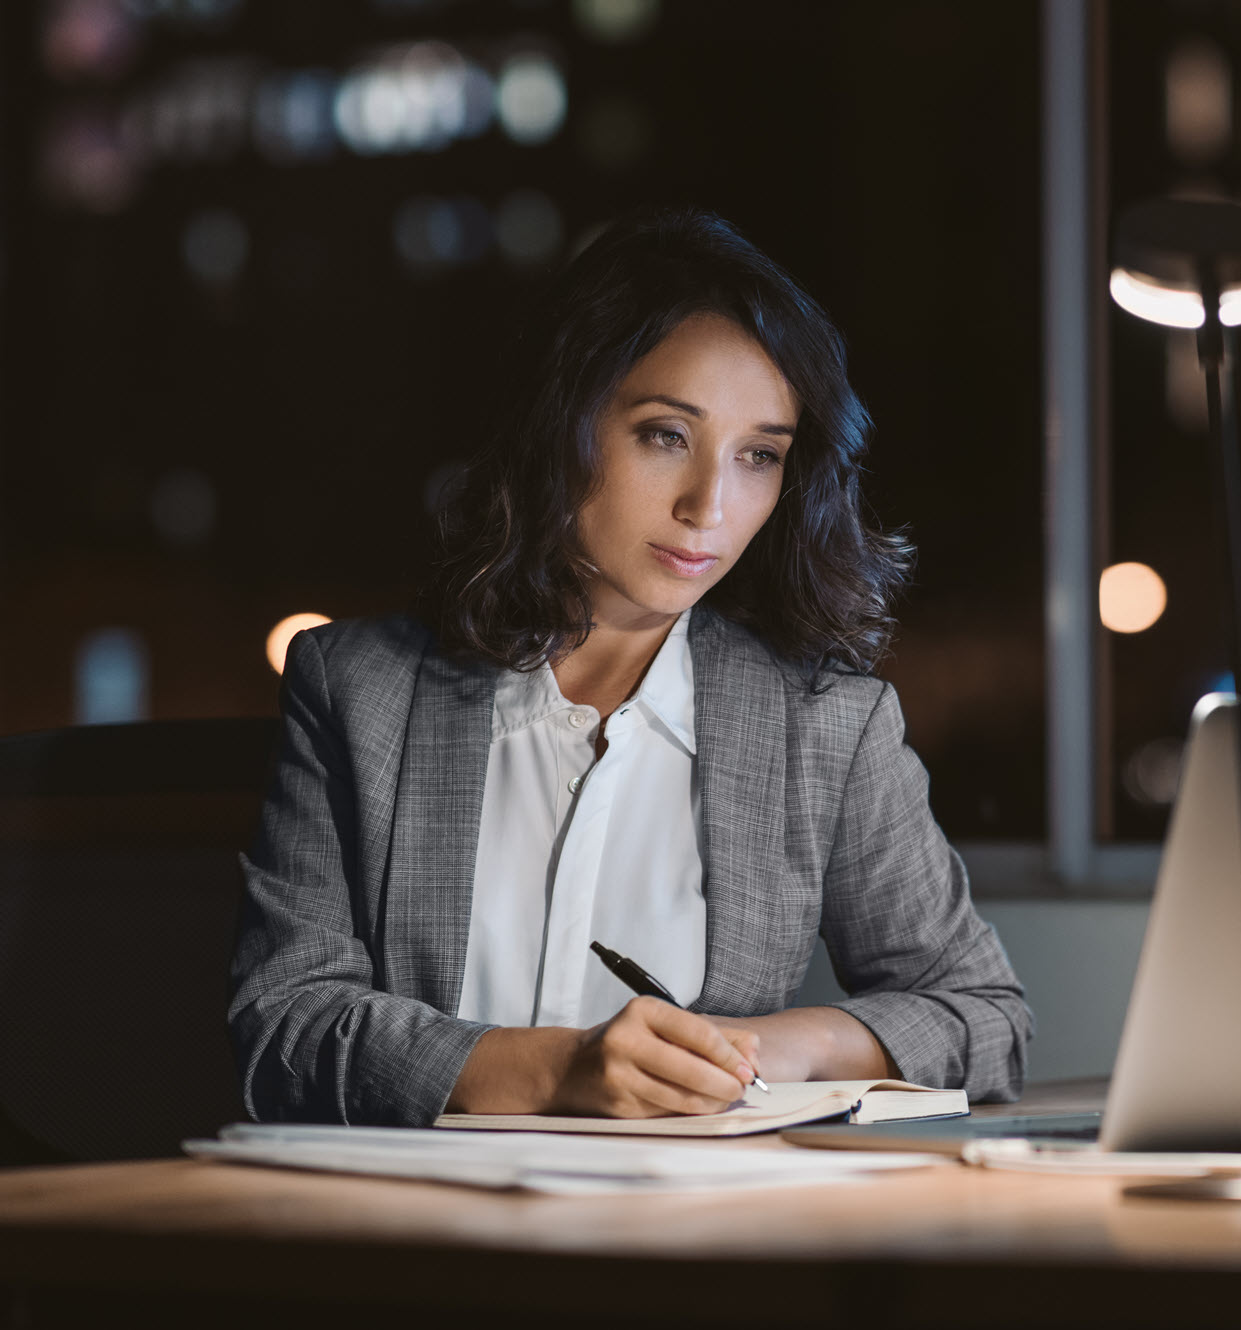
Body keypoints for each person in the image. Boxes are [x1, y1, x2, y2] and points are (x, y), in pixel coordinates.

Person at [230, 208, 1031, 1126]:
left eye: (760, 456)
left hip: (688, 1242)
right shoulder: (359, 688)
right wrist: (553, 1072)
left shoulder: (823, 723)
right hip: (417, 1239)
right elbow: (282, 1028)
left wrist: (775, 1046)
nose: (710, 506)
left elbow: (984, 1016)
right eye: (664, 434)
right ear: (559, 422)